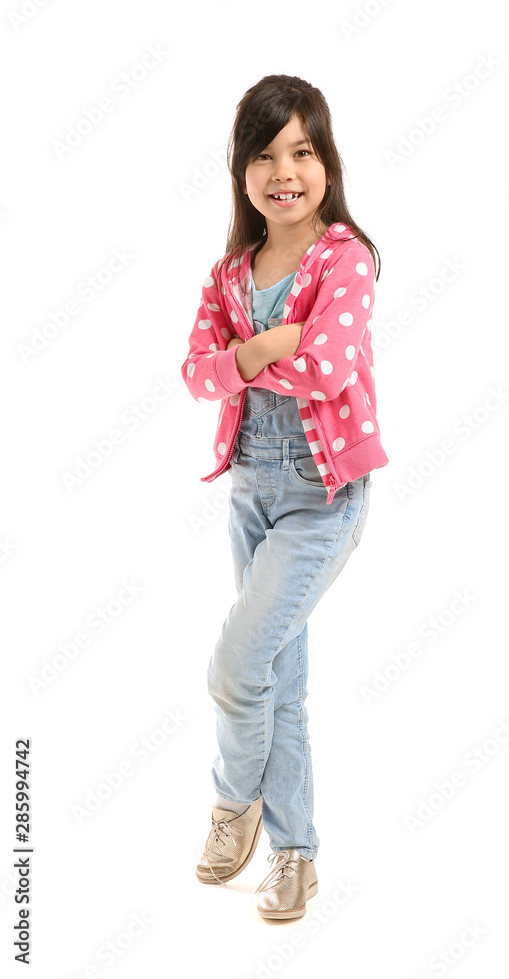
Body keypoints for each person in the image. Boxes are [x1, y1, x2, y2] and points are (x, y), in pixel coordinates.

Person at [181, 74, 389, 921]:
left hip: (322, 498)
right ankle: (296, 855)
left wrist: (249, 357)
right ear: (242, 173)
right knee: (278, 678)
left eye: (301, 151)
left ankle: (235, 803)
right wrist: (270, 340)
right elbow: (197, 375)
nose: (284, 171)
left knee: (236, 669)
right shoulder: (230, 272)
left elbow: (329, 368)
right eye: (264, 155)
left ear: (326, 163)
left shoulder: (346, 259)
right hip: (250, 496)